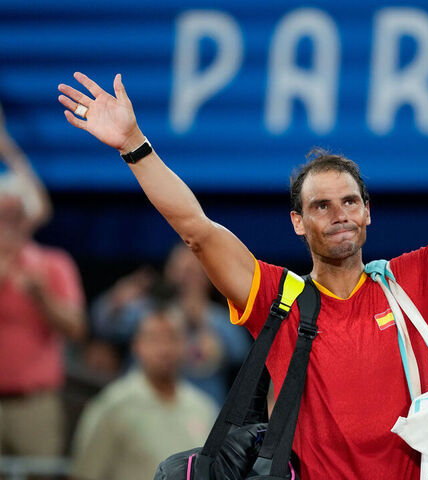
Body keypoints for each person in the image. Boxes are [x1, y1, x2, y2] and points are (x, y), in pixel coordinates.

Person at [57, 41, 428, 479]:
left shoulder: (412, 283)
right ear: (298, 222)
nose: (339, 214)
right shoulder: (278, 298)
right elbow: (196, 229)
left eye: (349, 201)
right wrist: (134, 144)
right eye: (320, 206)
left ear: (368, 212)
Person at [0, 105, 86, 457]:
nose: (9, 222)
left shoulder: (51, 264)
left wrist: (42, 296)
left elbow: (77, 329)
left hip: (35, 403)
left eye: (15, 214)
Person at [71, 302, 218, 480]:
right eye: (154, 339)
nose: (164, 349)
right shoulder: (113, 405)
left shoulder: (203, 408)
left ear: (186, 344)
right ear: (136, 345)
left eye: (173, 337)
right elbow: (85, 474)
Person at [91, 243, 251, 403]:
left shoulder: (220, 317)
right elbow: (104, 325)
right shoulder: (149, 308)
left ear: (208, 276)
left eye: (193, 272)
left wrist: (203, 319)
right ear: (169, 272)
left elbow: (241, 353)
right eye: (181, 271)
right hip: (144, 404)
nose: (186, 279)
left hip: (202, 412)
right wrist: (116, 300)